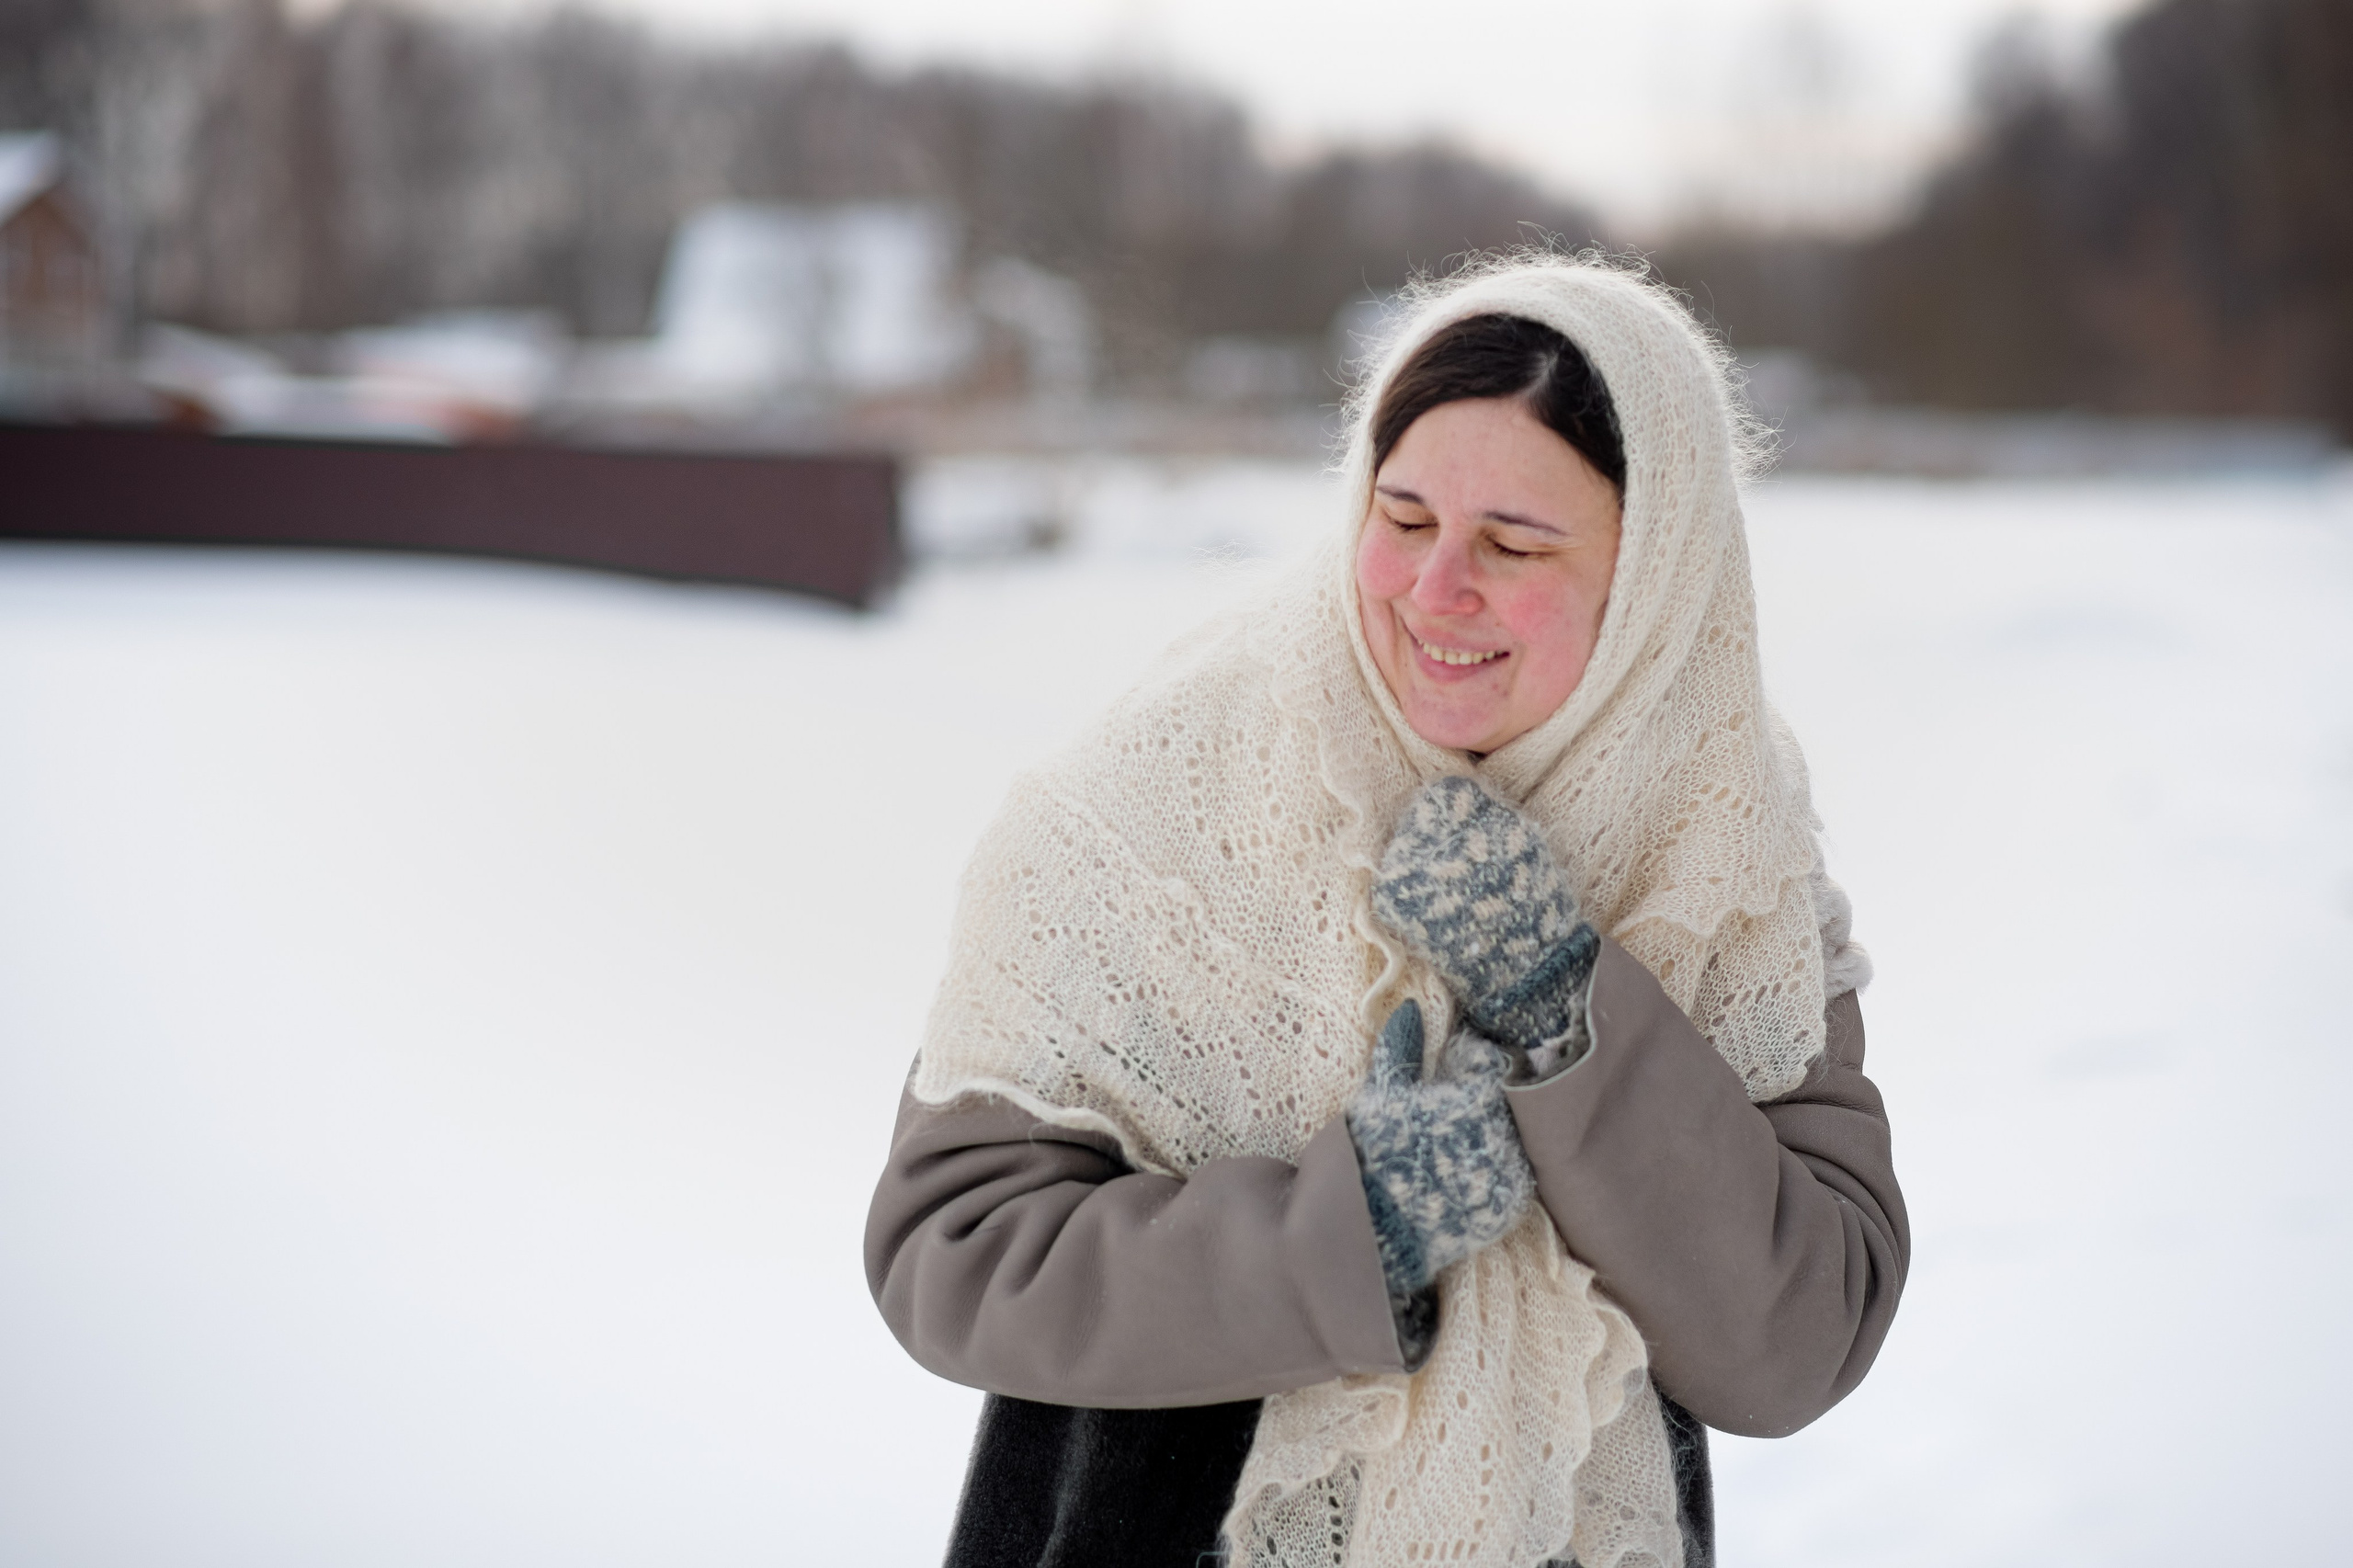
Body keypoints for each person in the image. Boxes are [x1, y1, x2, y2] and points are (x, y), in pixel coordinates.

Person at [865, 254, 1906, 1568]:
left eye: (1514, 543)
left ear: (1654, 575)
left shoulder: (1723, 845)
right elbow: (947, 1252)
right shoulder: (1158, 797)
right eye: (1402, 517)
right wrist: (1357, 1233)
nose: (1432, 588)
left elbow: (1793, 1342)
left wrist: (1565, 1001)